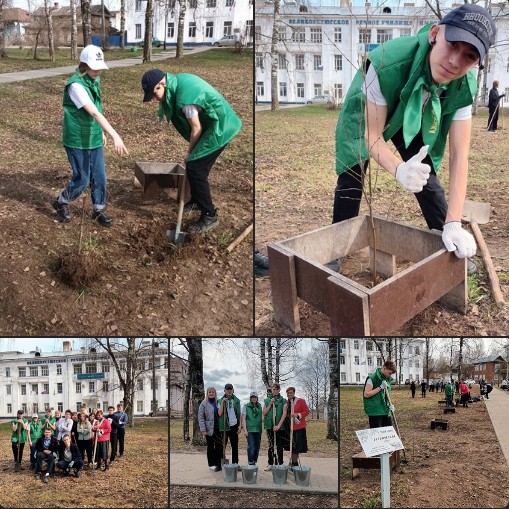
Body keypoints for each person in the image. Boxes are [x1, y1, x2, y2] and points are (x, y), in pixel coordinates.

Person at [334, 4, 497, 276]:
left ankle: (446, 237)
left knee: (425, 174)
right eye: (453, 44)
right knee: (353, 172)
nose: (455, 61)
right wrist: (397, 169)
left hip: (411, 115)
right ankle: (335, 249)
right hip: (369, 111)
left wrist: (454, 221)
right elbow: (372, 136)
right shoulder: (386, 61)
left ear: (477, 63)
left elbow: (460, 156)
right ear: (435, 33)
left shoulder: (463, 85)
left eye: (469, 55)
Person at [141, 68, 242, 233]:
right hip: (213, 122)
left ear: (162, 84)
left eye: (154, 93)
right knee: (197, 166)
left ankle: (209, 215)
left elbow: (196, 128)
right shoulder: (176, 83)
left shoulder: (184, 100)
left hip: (221, 126)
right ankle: (196, 200)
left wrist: (190, 153)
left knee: (196, 168)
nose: (154, 99)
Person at [51, 44, 129, 227]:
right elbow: (94, 112)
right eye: (96, 67)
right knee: (83, 178)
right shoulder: (76, 86)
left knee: (100, 176)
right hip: (77, 139)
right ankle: (61, 201)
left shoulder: (92, 80)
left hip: (93, 136)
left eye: (101, 67)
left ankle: (98, 209)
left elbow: (97, 107)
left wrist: (100, 131)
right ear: (84, 65)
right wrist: (115, 135)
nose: (99, 71)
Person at [262, 383, 287, 471]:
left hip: (280, 426)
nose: (275, 391)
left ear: (279, 390)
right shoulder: (267, 400)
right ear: (271, 390)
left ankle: (280, 463)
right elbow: (264, 413)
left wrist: (278, 425)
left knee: (280, 446)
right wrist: (270, 404)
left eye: (277, 389)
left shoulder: (283, 400)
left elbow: (284, 413)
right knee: (271, 445)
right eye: (274, 389)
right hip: (270, 426)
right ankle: (270, 463)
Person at [363, 361, 396, 428]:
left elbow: (385, 395)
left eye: (391, 374)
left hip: (385, 410)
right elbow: (366, 394)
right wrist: (380, 387)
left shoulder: (387, 379)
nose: (390, 375)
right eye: (389, 373)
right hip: (375, 411)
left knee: (388, 431)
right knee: (377, 433)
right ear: (384, 368)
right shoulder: (372, 378)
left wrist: (390, 405)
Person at [284, 387, 310, 469]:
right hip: (289, 428)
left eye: (291, 392)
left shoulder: (300, 401)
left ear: (294, 393)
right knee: (291, 447)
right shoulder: (286, 404)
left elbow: (306, 411)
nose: (289, 394)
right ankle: (291, 463)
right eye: (288, 393)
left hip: (298, 428)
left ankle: (295, 464)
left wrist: (297, 415)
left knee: (296, 447)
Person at [198, 387, 223, 472]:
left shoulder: (218, 402)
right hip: (209, 428)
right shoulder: (204, 403)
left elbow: (221, 413)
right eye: (209, 392)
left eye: (213, 392)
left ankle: (218, 463)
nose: (211, 393)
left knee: (219, 446)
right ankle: (211, 464)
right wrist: (203, 430)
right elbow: (201, 417)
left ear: (215, 393)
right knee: (211, 446)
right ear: (207, 393)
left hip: (218, 428)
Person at [218, 383, 242, 468]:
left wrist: (240, 426)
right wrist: (223, 403)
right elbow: (219, 413)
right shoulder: (220, 400)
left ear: (233, 390)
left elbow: (239, 414)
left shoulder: (236, 401)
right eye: (227, 389)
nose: (229, 391)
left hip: (234, 425)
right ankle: (220, 463)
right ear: (224, 390)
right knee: (222, 445)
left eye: (230, 389)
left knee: (234, 446)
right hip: (224, 426)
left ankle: (235, 463)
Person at [241, 392, 263, 466]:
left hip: (258, 429)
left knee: (257, 447)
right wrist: (245, 430)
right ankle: (251, 463)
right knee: (251, 447)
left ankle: (254, 461)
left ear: (257, 398)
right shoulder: (246, 406)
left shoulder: (260, 406)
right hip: (250, 430)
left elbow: (261, 417)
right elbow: (243, 418)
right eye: (252, 397)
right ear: (250, 398)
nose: (254, 398)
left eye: (255, 397)